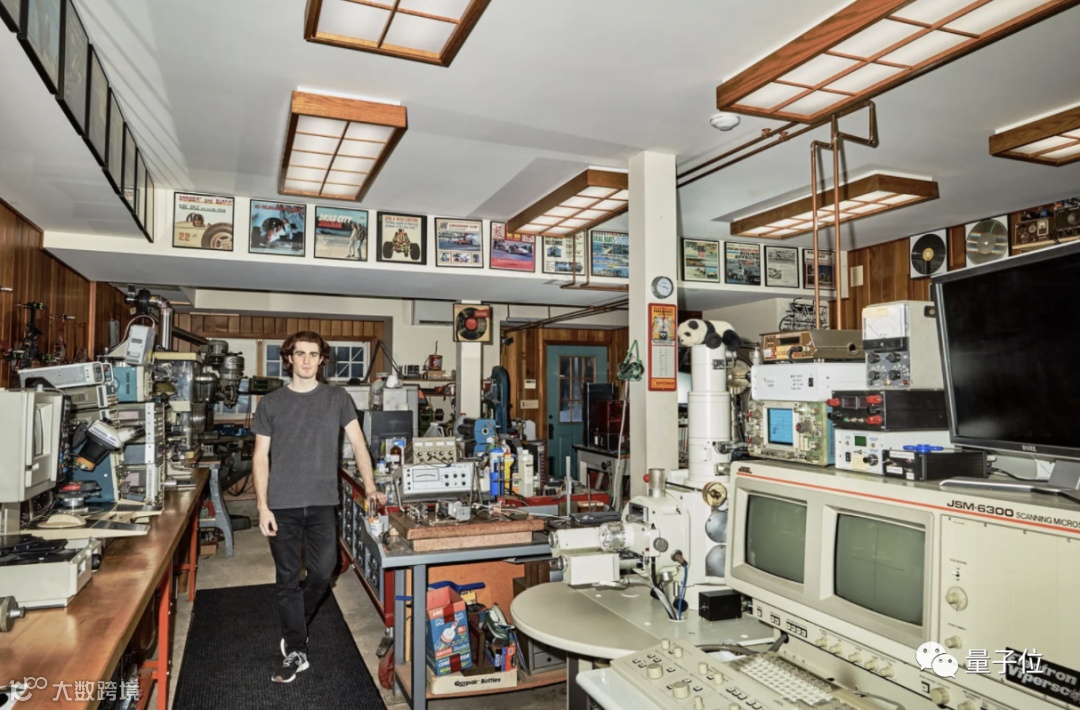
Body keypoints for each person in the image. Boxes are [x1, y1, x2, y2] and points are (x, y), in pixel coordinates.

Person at [252, 331, 384, 684]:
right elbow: (260, 457)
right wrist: (262, 506)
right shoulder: (271, 403)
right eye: (300, 354)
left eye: (313, 354)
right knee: (287, 578)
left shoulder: (337, 398)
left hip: (323, 501)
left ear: (322, 359)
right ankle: (296, 648)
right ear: (289, 358)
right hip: (282, 504)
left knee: (324, 572)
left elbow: (359, 444)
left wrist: (371, 486)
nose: (307, 360)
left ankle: (294, 621)